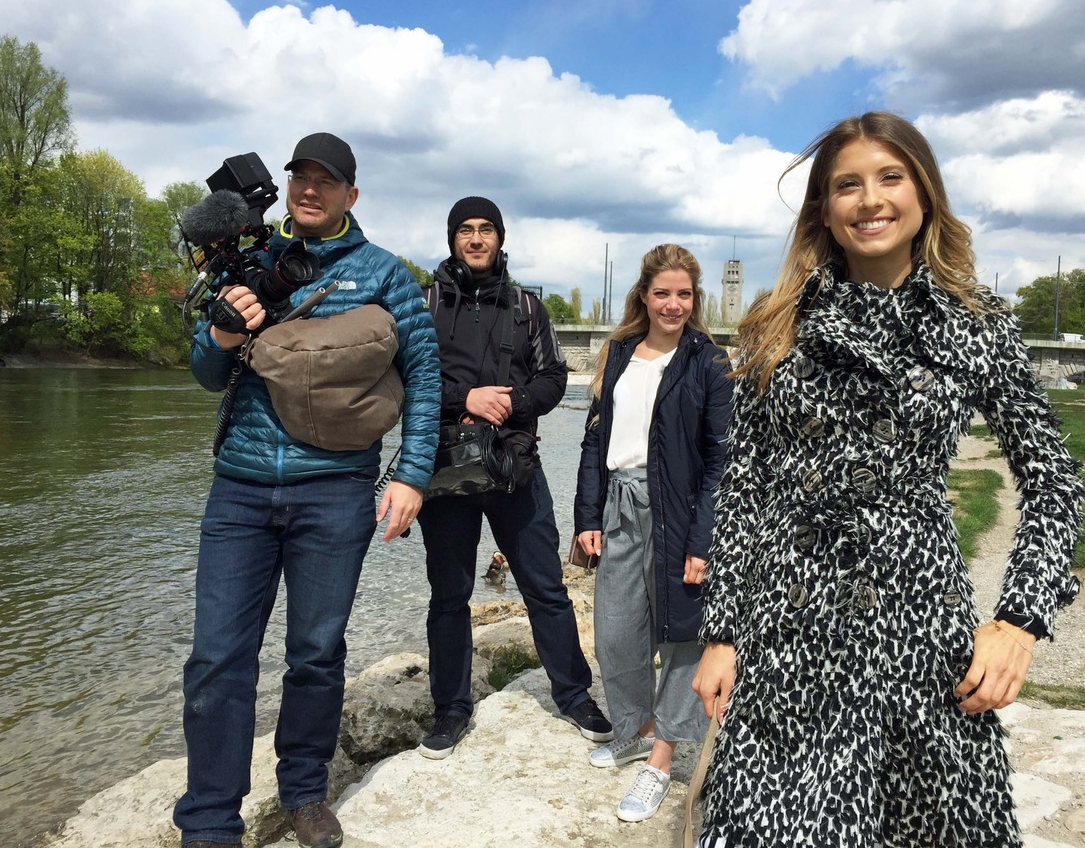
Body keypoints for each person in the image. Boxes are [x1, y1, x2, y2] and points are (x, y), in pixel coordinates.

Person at [691, 112, 1085, 847]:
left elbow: (1053, 479)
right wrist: (721, 634)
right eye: (848, 185)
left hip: (918, 632)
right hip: (788, 633)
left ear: (924, 194)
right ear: (825, 211)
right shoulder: (774, 325)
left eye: (890, 177)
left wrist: (1021, 622)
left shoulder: (978, 326)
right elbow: (745, 489)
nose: (870, 199)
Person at [174, 133, 441, 848]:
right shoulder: (248, 259)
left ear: (352, 194)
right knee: (217, 656)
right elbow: (204, 371)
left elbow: (424, 378)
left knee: (317, 651)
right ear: (288, 187)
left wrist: (412, 474)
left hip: (337, 493)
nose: (310, 189)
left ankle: (302, 792)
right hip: (240, 489)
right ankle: (207, 818)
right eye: (301, 177)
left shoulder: (385, 274)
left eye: (327, 180)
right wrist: (223, 336)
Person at [416, 196, 611, 759]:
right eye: (466, 231)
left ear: (500, 238)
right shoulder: (425, 302)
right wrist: (466, 399)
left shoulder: (529, 307)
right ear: (453, 239)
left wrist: (512, 402)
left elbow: (553, 376)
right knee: (448, 596)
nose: (476, 240)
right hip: (445, 471)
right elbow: (405, 378)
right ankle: (450, 709)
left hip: (515, 468)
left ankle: (573, 694)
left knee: (546, 587)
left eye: (486, 230)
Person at [573, 244, 733, 822]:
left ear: (696, 299)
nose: (673, 304)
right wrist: (587, 517)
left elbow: (721, 459)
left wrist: (703, 540)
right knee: (617, 629)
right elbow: (595, 440)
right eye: (662, 293)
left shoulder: (708, 362)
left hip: (678, 508)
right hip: (619, 501)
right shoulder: (618, 353)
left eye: (684, 294)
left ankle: (663, 759)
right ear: (643, 295)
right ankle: (636, 727)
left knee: (684, 634)